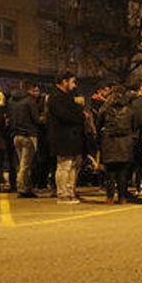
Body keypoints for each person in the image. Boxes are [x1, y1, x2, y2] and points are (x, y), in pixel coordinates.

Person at [48, 71, 88, 204]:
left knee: (73, 165)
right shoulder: (55, 97)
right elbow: (65, 115)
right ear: (64, 81)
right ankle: (62, 194)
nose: (74, 85)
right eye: (72, 81)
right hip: (62, 137)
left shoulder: (67, 96)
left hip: (72, 137)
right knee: (64, 166)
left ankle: (70, 192)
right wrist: (81, 115)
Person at [97, 86, 137, 204]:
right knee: (123, 172)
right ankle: (122, 197)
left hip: (109, 141)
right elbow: (134, 126)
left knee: (110, 172)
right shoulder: (130, 108)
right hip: (125, 142)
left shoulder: (105, 108)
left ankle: (110, 197)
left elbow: (98, 123)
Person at [8, 83, 43, 198]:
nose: (37, 93)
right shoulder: (30, 101)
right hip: (28, 135)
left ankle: (27, 188)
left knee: (21, 164)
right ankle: (22, 188)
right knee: (25, 165)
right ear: (30, 90)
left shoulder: (11, 101)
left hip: (16, 135)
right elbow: (36, 119)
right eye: (35, 90)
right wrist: (44, 118)